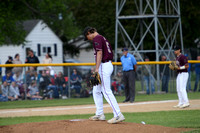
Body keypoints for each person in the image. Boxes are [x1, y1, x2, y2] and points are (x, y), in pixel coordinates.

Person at [83, 26, 125, 124]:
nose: (88, 39)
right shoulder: (102, 38)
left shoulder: (97, 38)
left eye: (87, 36)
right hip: (106, 65)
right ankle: (100, 114)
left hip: (104, 66)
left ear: (89, 32)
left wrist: (97, 69)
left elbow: (100, 53)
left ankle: (118, 114)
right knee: (96, 90)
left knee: (106, 91)